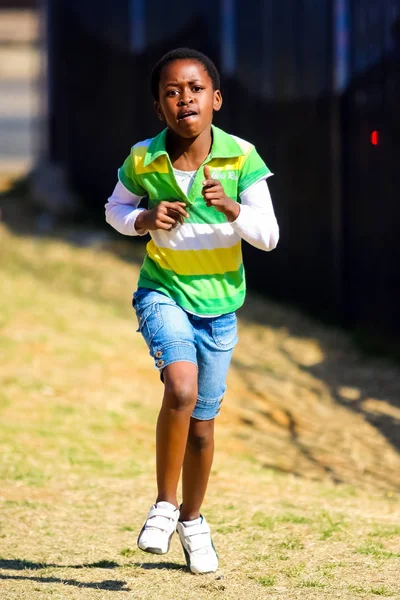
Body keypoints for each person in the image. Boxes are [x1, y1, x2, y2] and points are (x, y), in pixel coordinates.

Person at [105, 48, 279, 574]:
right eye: (172, 92)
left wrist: (234, 207)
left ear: (216, 99)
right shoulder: (144, 158)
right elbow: (115, 211)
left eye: (196, 89)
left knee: (202, 425)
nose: (185, 99)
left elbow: (269, 237)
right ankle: (163, 503)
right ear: (159, 108)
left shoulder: (241, 158)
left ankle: (193, 520)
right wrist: (144, 218)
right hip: (163, 291)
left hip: (220, 308)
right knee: (179, 389)